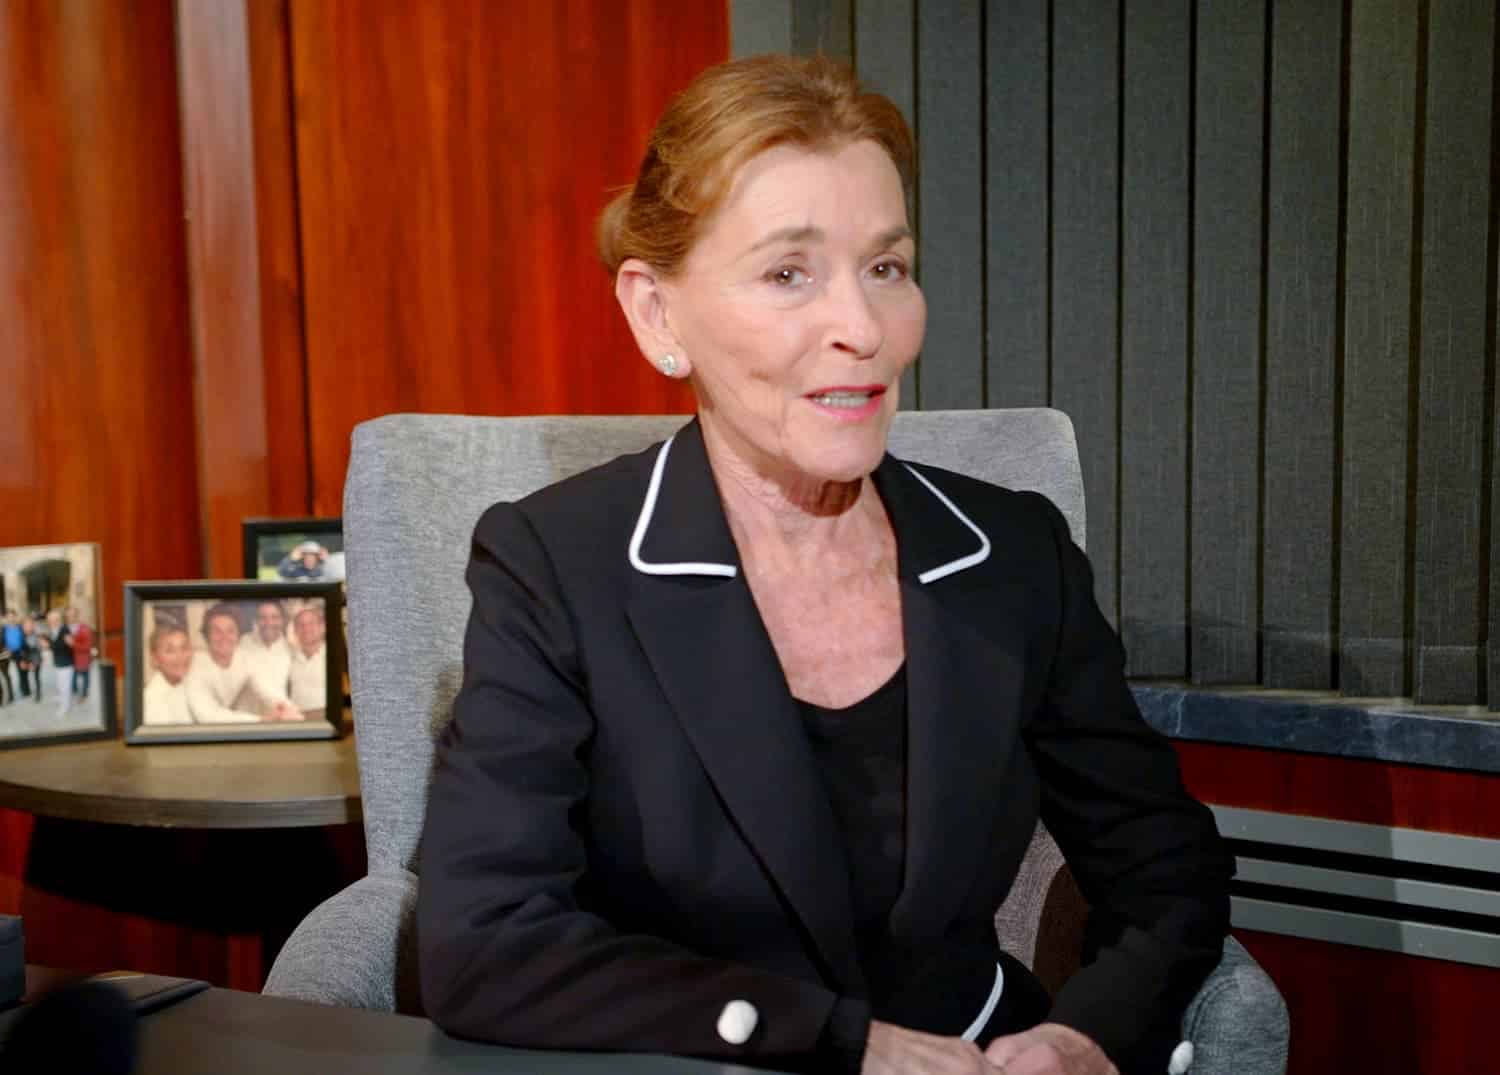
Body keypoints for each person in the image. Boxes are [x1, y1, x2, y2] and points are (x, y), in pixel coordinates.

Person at [417, 55, 1231, 1075]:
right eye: (788, 273)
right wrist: (843, 1042)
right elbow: (484, 943)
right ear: (657, 313)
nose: (863, 329)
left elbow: (1165, 871)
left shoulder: (1014, 555)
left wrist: (1083, 1036)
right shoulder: (557, 564)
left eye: (886, 267)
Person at [184, 603, 303, 724]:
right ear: (207, 635)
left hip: (227, 723)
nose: (224, 637)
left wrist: (289, 709)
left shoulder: (244, 658)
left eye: (230, 631)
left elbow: (266, 688)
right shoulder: (193, 665)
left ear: (237, 635)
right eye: (217, 631)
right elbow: (208, 715)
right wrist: (261, 719)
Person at [239, 599, 294, 716]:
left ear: (283, 620)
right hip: (247, 717)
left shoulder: (290, 649)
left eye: (275, 617)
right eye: (262, 617)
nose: (269, 622)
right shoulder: (243, 643)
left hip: (278, 718)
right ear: (256, 621)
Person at [141, 623, 194, 726]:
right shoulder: (152, 700)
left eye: (184, 648)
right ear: (155, 659)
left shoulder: (189, 684)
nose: (180, 656)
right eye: (170, 651)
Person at [286, 605, 327, 719]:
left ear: (322, 627)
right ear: (295, 631)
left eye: (311, 623)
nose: (306, 628)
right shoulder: (289, 658)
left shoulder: (333, 655)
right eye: (300, 625)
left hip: (325, 717)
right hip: (297, 720)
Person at [45, 610, 73, 715]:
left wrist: (49, 646)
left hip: (66, 663)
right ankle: (61, 698)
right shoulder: (53, 630)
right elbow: (54, 643)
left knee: (65, 686)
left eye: (54, 619)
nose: (51, 622)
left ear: (59, 619)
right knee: (60, 684)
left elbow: (66, 645)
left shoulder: (65, 629)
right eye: (50, 620)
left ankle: (65, 707)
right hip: (58, 662)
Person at [67, 608, 94, 702]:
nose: (70, 617)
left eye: (72, 615)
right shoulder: (66, 627)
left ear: (77, 616)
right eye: (68, 615)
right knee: (72, 678)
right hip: (70, 659)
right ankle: (74, 693)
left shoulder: (84, 628)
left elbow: (87, 646)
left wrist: (73, 644)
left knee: (84, 678)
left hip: (82, 658)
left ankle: (84, 695)